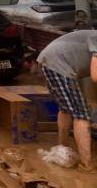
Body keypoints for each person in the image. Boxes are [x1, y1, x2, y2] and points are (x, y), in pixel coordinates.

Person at [37, 30, 97, 172]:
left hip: (50, 60)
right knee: (81, 115)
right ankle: (87, 165)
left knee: (65, 109)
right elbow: (95, 76)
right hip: (57, 63)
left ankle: (63, 150)